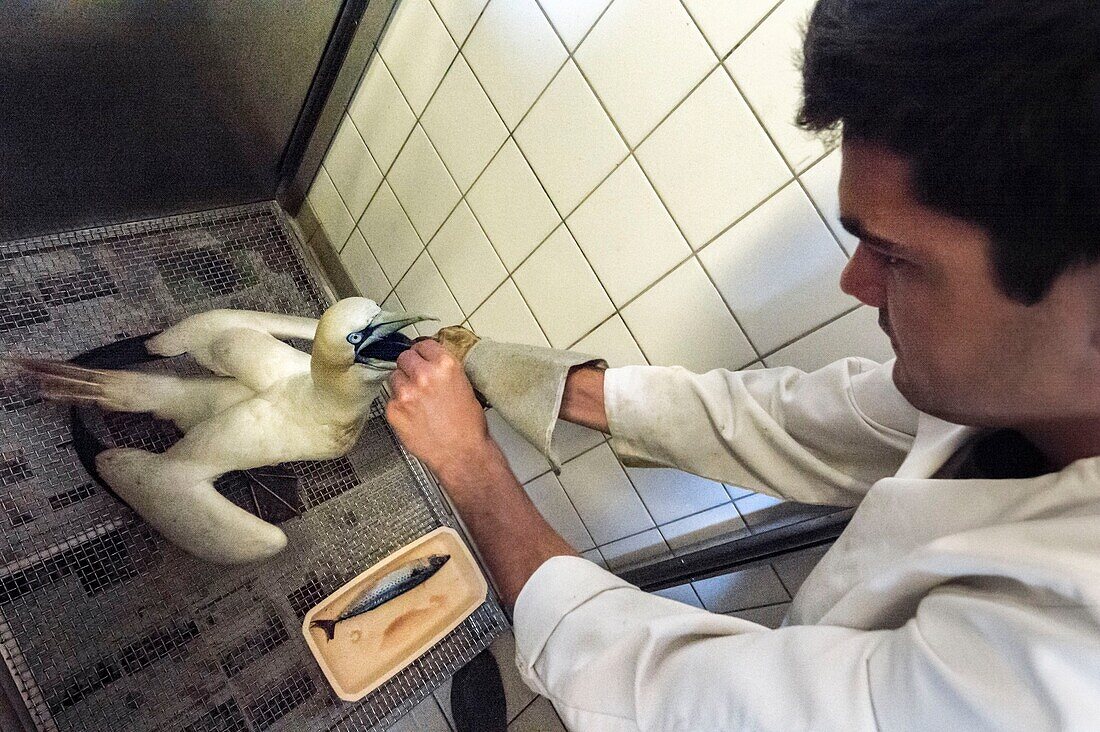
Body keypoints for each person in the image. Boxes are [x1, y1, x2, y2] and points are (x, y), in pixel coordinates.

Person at [385, 0, 1100, 728]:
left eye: (897, 257)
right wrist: (536, 382)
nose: (855, 284)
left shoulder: (1066, 668)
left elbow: (677, 703)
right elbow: (802, 421)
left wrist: (469, 464)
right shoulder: (1024, 394)